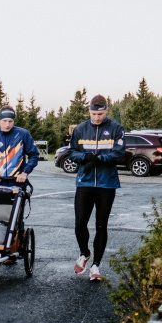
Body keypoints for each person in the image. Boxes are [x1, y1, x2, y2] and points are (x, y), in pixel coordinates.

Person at [67, 95, 125, 281]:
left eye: (100, 114)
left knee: (101, 225)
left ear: (106, 111)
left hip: (106, 184)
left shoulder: (116, 128)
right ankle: (85, 253)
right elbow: (72, 152)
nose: (97, 117)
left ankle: (96, 266)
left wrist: (99, 159)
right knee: (80, 223)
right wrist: (85, 157)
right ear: (89, 111)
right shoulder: (80, 129)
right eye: (94, 114)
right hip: (84, 182)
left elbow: (119, 153)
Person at [0, 106, 40, 186]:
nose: (7, 125)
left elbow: (34, 155)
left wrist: (25, 172)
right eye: (4, 121)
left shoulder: (23, 134)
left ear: (13, 121)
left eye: (10, 121)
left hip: (18, 181)